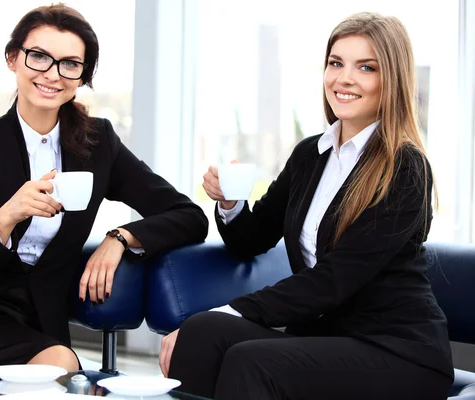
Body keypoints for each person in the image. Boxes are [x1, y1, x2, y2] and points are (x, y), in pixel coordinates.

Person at [0, 3, 208, 379]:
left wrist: (121, 238)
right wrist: (6, 216)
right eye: (38, 57)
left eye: (69, 64)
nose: (52, 74)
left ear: (81, 76)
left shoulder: (98, 144)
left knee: (56, 367)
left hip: (38, 326)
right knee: (59, 367)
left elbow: (189, 216)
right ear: (13, 59)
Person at [159, 12, 453, 400]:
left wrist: (230, 309)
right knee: (202, 331)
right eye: (336, 63)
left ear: (391, 80)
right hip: (327, 337)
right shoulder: (310, 154)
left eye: (366, 67)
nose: (343, 78)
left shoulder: (404, 168)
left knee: (250, 359)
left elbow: (333, 280)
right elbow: (251, 239)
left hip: (398, 350)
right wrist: (231, 204)